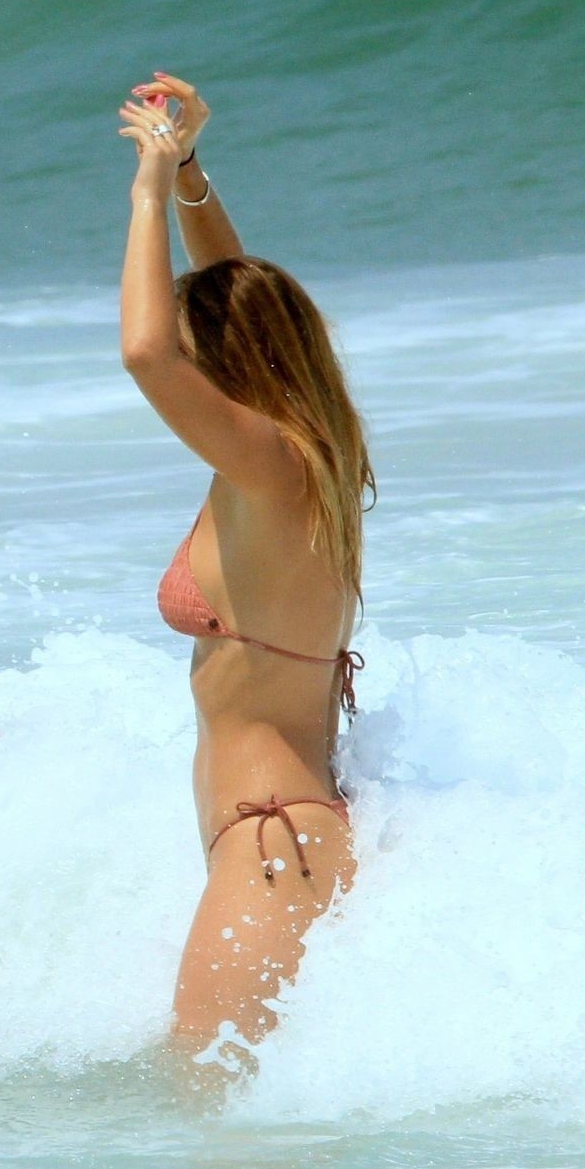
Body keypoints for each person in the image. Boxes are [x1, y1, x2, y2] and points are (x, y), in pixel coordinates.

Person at [115, 75, 374, 1053]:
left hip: (272, 845)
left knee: (208, 1117)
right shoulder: (311, 453)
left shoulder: (271, 467)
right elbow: (241, 295)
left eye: (203, 361)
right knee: (237, 1129)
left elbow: (147, 354)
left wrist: (146, 190)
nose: (190, 378)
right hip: (286, 838)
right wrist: (190, 170)